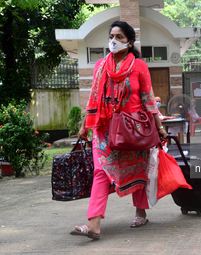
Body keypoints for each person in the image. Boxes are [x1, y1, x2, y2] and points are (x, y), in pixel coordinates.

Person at [70, 21, 167, 240]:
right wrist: (85, 125)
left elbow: (148, 99)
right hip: (103, 129)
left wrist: (159, 127)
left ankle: (140, 212)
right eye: (111, 36)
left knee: (138, 170)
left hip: (132, 128)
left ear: (130, 42)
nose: (113, 40)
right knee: (100, 171)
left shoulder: (139, 66)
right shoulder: (100, 66)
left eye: (120, 37)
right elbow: (93, 98)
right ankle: (94, 223)